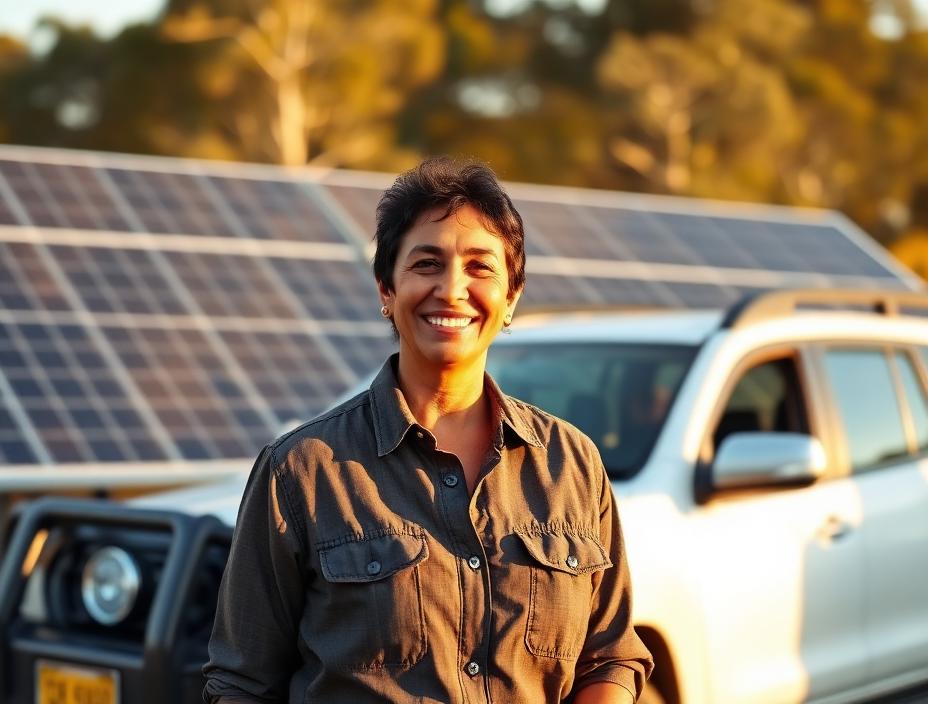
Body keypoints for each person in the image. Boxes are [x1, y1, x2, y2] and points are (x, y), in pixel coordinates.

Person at [203, 157, 653, 703]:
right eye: (426, 263)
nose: (452, 289)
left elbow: (610, 656)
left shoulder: (572, 465)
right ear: (386, 291)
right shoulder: (301, 472)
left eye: (480, 268)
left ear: (511, 298)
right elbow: (241, 683)